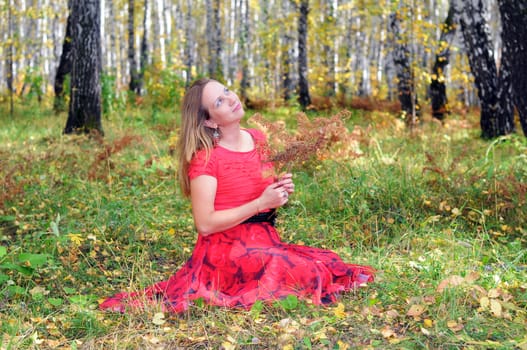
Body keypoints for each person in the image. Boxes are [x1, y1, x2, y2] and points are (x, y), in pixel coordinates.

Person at [99, 78, 374, 313]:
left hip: (264, 241)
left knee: (324, 262)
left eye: (227, 91)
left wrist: (278, 191)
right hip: (224, 252)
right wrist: (260, 203)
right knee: (305, 273)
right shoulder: (206, 159)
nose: (230, 100)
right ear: (208, 120)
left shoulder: (257, 138)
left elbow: (256, 193)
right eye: (219, 102)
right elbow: (205, 223)